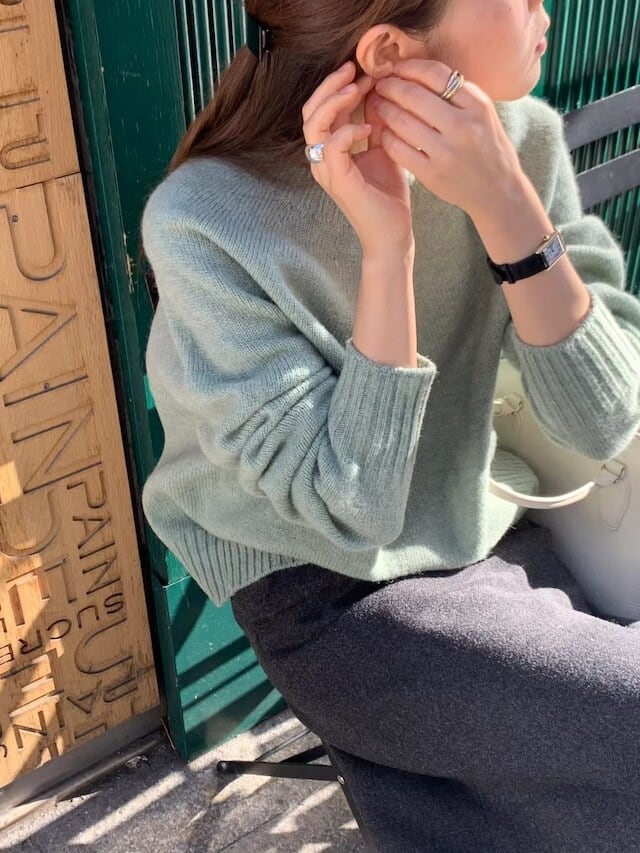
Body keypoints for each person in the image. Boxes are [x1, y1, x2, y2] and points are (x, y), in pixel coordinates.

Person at [141, 0, 640, 848]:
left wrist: (509, 208)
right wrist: (387, 251)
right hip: (324, 588)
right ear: (388, 51)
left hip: (485, 521)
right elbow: (355, 508)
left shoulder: (516, 138)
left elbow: (606, 422)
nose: (544, 9)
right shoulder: (205, 221)